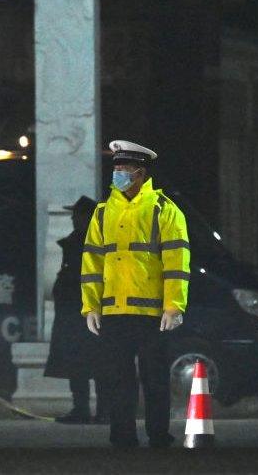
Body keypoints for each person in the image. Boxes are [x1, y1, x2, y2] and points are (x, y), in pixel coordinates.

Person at [81, 140, 190, 448]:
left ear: (140, 172)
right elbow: (92, 262)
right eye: (114, 168)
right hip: (114, 312)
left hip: (153, 314)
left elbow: (177, 262)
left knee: (155, 378)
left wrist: (174, 306)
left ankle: (158, 434)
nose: (116, 174)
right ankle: (122, 434)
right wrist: (90, 306)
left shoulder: (164, 210)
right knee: (118, 379)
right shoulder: (102, 213)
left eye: (122, 169)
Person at [45, 195, 108, 424]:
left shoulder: (98, 244)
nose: (73, 219)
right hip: (72, 312)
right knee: (77, 364)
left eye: (77, 215)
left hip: (92, 312)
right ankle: (81, 409)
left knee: (100, 364)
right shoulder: (74, 242)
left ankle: (103, 411)